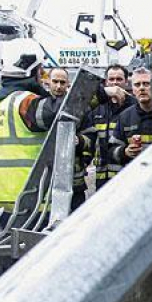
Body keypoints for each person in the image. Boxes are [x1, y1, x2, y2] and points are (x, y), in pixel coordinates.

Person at [0, 51, 65, 217]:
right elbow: (54, 112)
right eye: (40, 71)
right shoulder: (24, 101)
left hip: (3, 194)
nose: (42, 75)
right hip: (30, 194)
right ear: (31, 72)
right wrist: (99, 93)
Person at [46, 67, 93, 211]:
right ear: (48, 82)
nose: (59, 86)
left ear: (68, 84)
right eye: (55, 82)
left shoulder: (80, 108)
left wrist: (79, 140)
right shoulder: (41, 106)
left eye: (62, 82)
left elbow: (91, 137)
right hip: (47, 179)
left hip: (75, 182)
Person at [108, 67, 152, 170]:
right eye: (137, 84)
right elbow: (111, 151)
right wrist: (125, 152)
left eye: (146, 84)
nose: (141, 88)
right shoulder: (125, 116)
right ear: (133, 89)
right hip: (135, 178)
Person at [91, 64, 135, 190]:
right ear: (105, 82)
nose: (115, 82)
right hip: (101, 177)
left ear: (126, 82)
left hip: (127, 176)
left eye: (119, 79)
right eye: (111, 79)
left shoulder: (135, 107)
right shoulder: (97, 108)